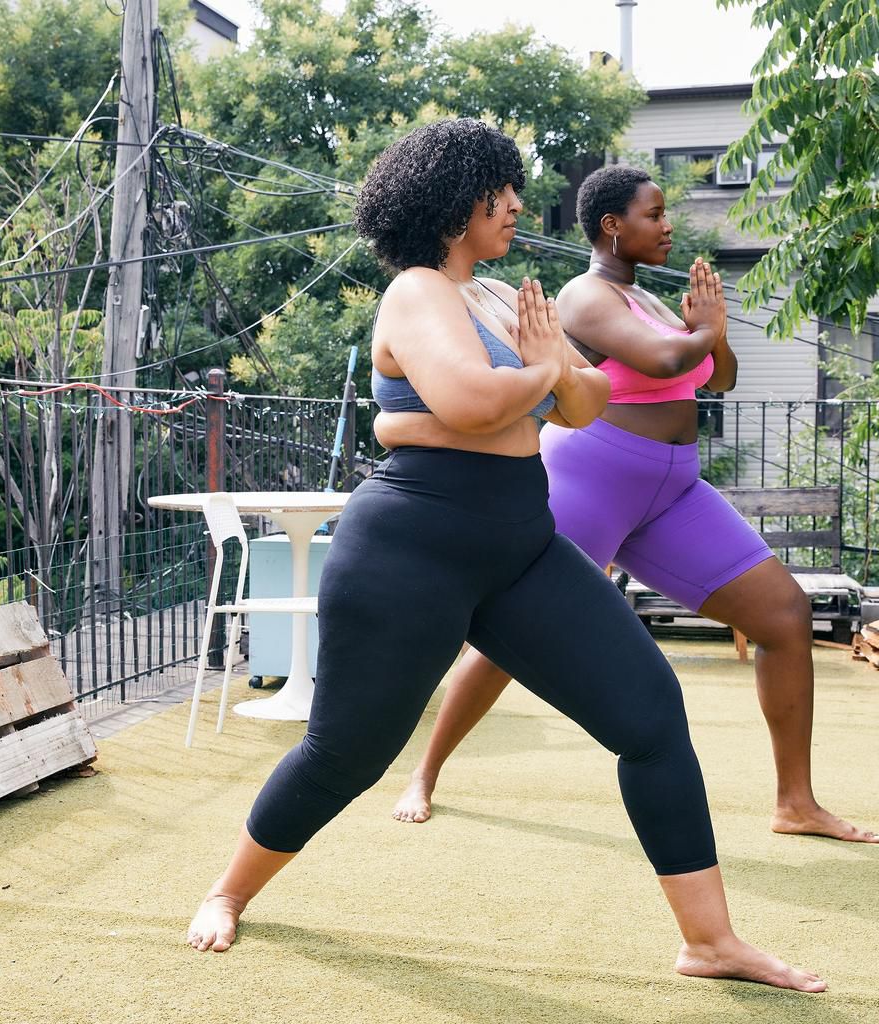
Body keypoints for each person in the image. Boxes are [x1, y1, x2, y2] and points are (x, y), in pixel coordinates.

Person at [186, 120, 825, 992]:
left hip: (521, 541)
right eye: (502, 192)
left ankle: (709, 942)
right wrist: (545, 374)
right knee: (346, 755)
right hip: (412, 545)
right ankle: (228, 891)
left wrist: (545, 376)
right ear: (457, 203)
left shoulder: (495, 296)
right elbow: (472, 400)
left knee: (650, 716)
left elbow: (589, 404)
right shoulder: (417, 293)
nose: (519, 205)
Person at [386, 163, 876, 846]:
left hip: (674, 490)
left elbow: (719, 377)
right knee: (509, 640)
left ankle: (796, 802)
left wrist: (713, 334)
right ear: (612, 226)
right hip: (595, 480)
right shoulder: (586, 297)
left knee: (784, 615)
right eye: (654, 214)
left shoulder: (647, 298)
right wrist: (703, 332)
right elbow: (666, 362)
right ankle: (425, 774)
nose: (668, 226)